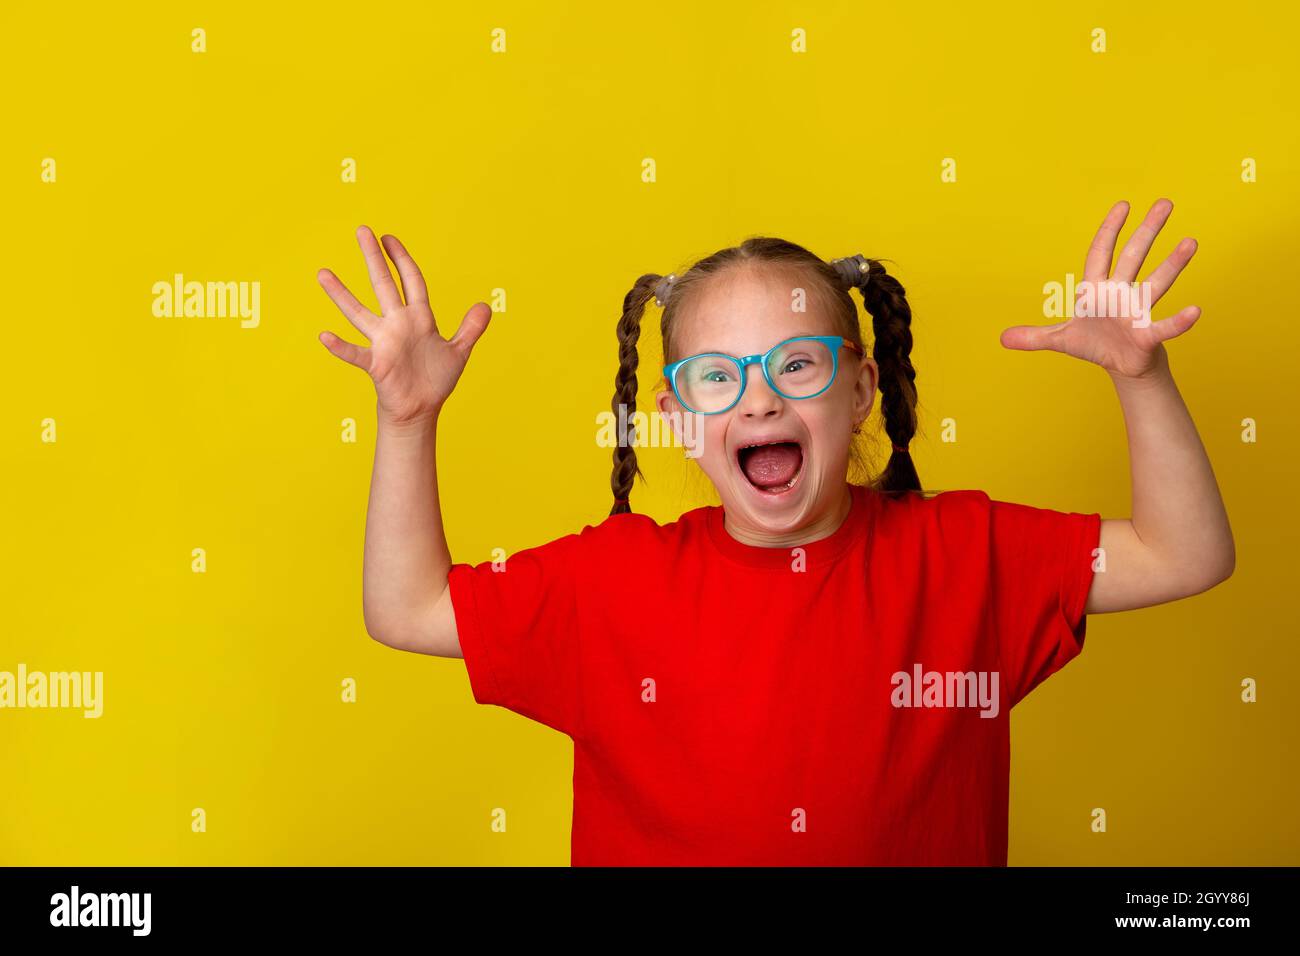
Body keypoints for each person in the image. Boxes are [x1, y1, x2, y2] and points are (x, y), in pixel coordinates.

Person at [315, 199, 1234, 865]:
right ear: (677, 417)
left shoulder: (966, 554)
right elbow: (407, 609)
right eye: (718, 377)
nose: (759, 396)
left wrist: (1141, 381)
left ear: (862, 391)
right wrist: (407, 422)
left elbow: (1184, 553)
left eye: (798, 363)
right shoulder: (612, 583)